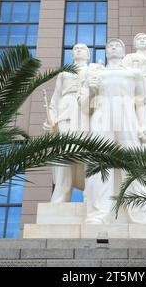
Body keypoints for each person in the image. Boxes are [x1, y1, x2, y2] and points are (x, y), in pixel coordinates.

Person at [84, 38, 146, 224]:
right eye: (110, 45)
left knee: (133, 159)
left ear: (123, 52)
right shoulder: (97, 74)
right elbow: (84, 107)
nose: (113, 47)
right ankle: (98, 213)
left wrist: (144, 125)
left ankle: (141, 211)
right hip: (101, 116)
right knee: (99, 162)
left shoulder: (134, 73)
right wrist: (91, 90)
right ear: (106, 52)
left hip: (127, 116)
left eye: (117, 45)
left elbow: (141, 102)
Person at [43, 43, 91, 202]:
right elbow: (55, 100)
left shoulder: (94, 70)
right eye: (75, 49)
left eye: (83, 49)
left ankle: (91, 195)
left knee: (89, 152)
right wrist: (51, 118)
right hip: (66, 112)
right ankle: (62, 194)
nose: (78, 50)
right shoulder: (64, 74)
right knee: (65, 153)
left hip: (86, 113)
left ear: (88, 55)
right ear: (71, 55)